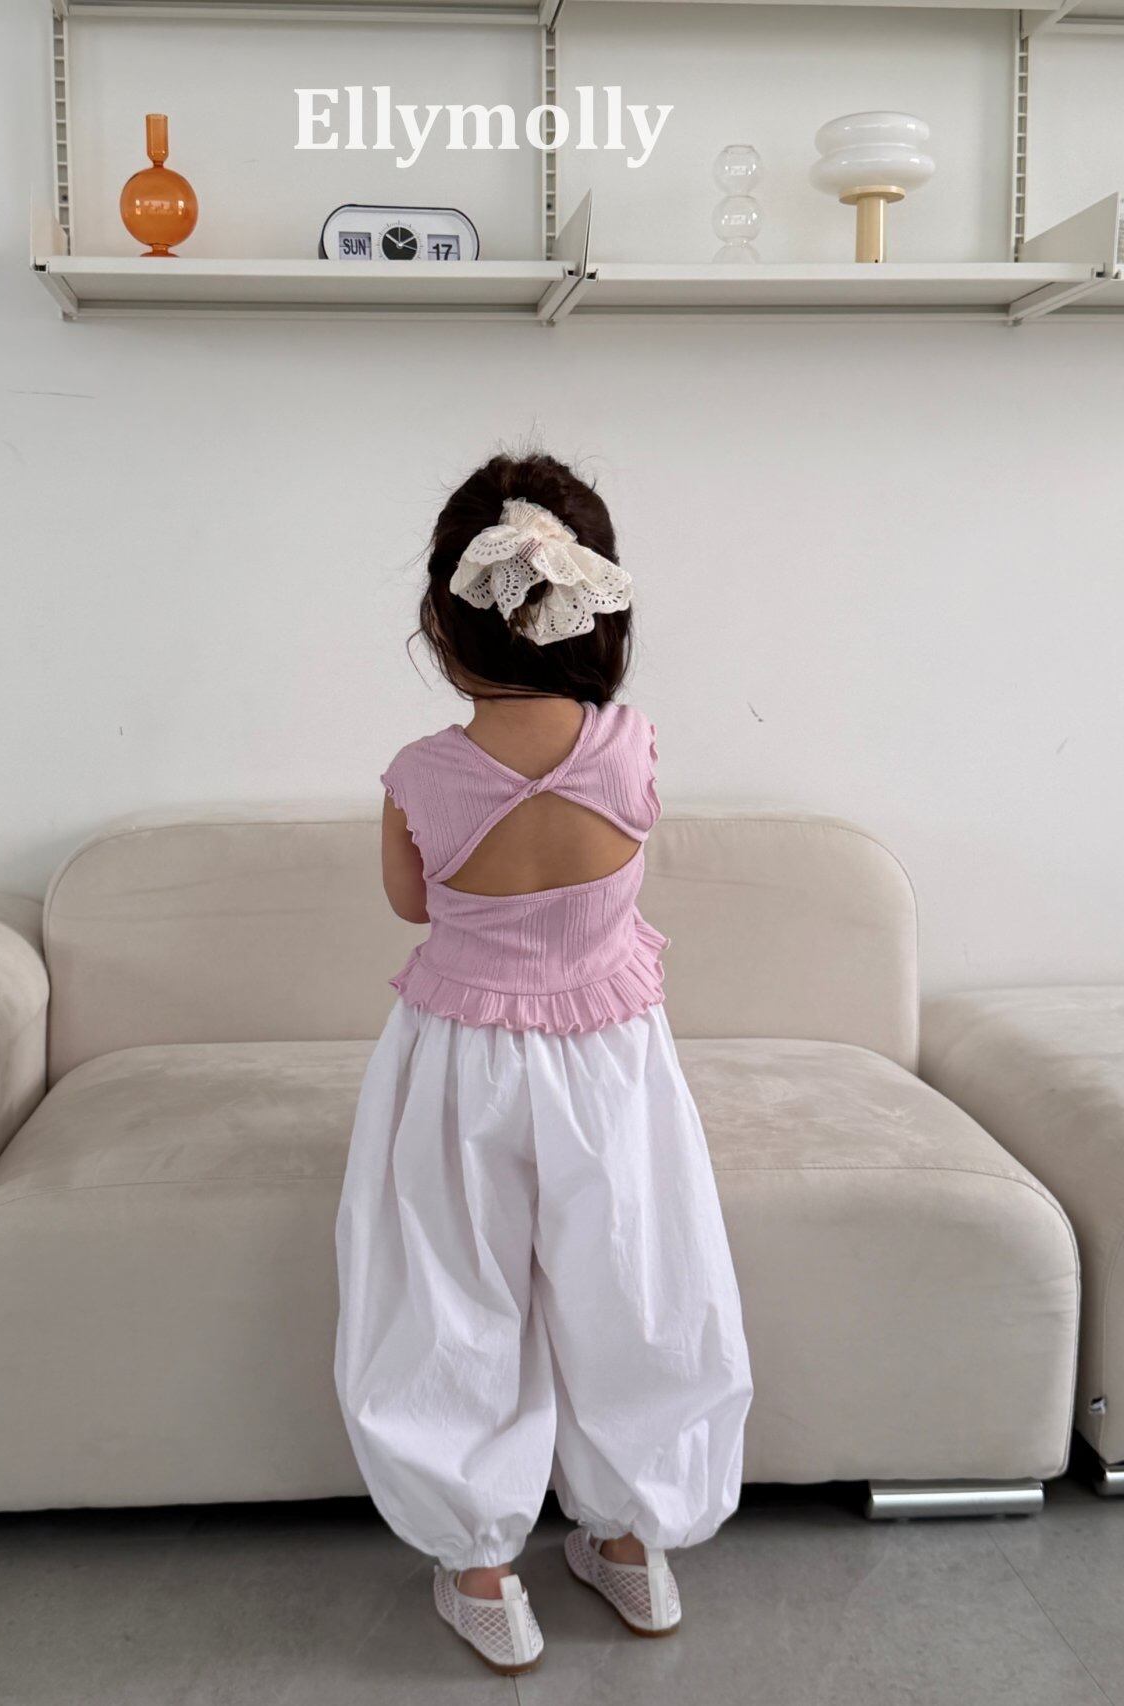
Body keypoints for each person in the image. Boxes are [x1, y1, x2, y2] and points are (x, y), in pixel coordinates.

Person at [334, 451, 753, 1676]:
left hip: (459, 1063)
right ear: (591, 604)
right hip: (611, 1062)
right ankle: (630, 1543)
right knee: (631, 1276)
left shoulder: (420, 775)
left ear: (441, 618)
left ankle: (481, 1568)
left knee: (449, 1291)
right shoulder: (629, 749)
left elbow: (412, 904)